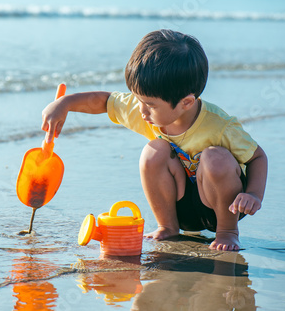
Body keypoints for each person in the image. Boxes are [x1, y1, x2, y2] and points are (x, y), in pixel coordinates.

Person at [41, 29, 268, 251]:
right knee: (153, 150)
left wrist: (253, 195)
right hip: (179, 206)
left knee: (215, 157)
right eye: (138, 100)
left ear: (186, 102)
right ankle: (167, 227)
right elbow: (104, 101)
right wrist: (64, 104)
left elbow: (257, 157)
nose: (141, 111)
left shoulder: (220, 125)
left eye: (149, 104)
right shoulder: (146, 109)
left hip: (219, 205)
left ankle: (227, 233)